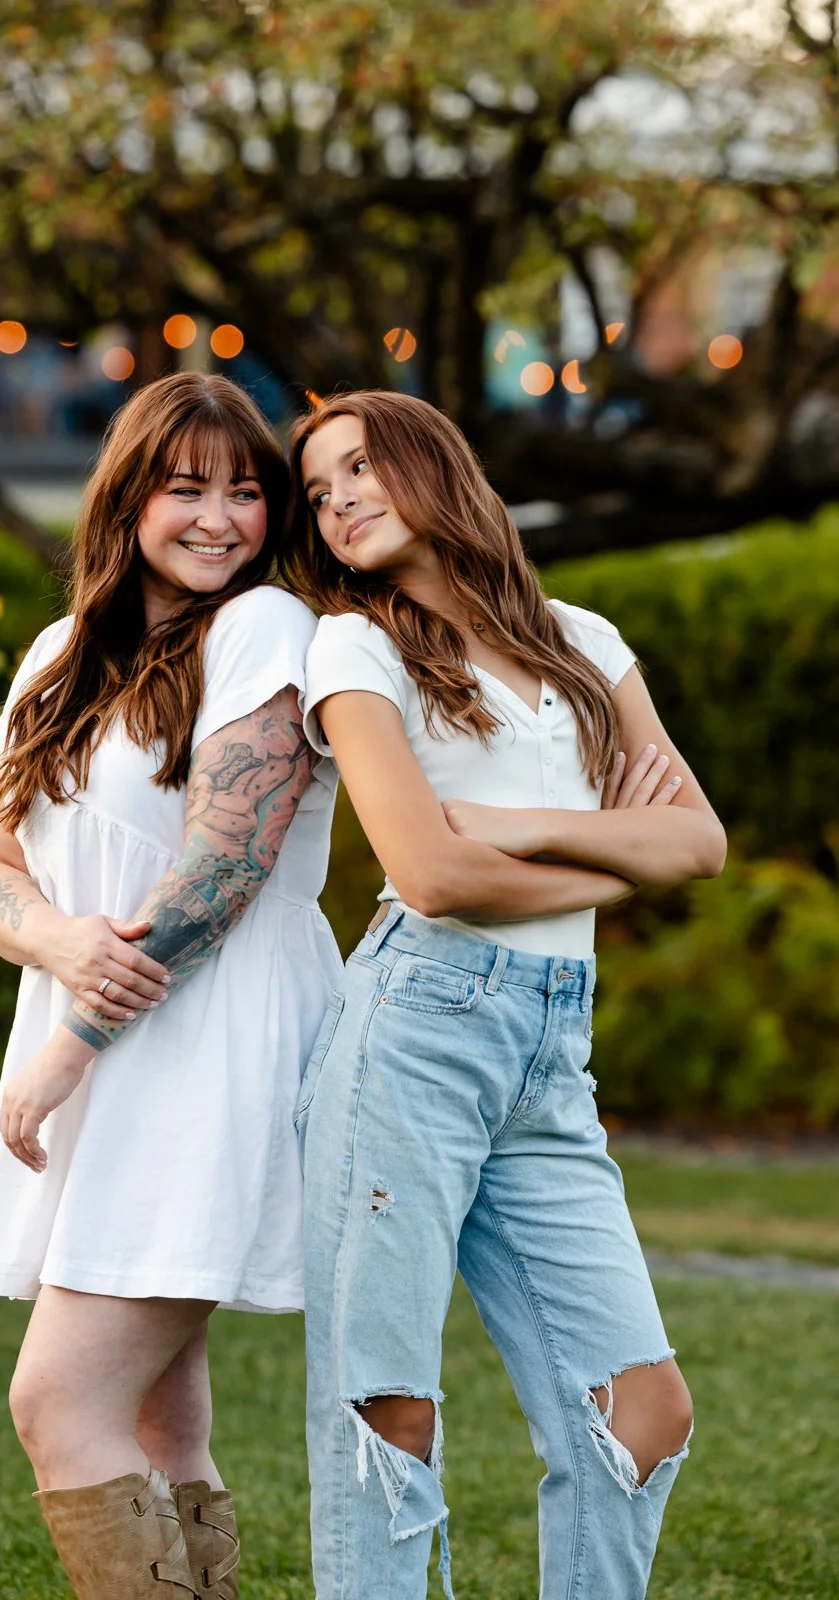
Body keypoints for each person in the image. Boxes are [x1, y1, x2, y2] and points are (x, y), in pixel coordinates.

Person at [282, 390, 726, 1600]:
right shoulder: (352, 647)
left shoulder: (582, 640)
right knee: (387, 1415)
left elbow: (699, 845)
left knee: (641, 1407)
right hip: (412, 1029)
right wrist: (613, 846)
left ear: (434, 465)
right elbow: (422, 869)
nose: (338, 503)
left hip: (548, 1043)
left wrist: (519, 826)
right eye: (318, 492)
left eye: (360, 467)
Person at [0, 372, 341, 1600]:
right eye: (186, 489)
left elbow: (227, 864)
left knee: (58, 1398)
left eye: (245, 491)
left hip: (206, 1038)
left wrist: (72, 1033)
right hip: (106, 1023)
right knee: (160, 1420)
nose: (219, 518)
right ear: (127, 497)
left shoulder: (263, 627)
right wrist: (57, 942)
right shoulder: (61, 653)